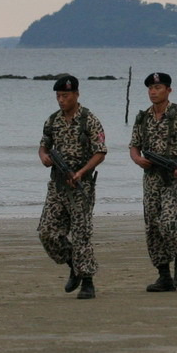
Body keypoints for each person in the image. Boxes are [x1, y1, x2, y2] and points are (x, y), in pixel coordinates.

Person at [37, 74, 107, 298]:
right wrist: (44, 157)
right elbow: (43, 146)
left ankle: (87, 281)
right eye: (58, 96)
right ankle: (73, 265)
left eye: (65, 95)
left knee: (81, 234)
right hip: (58, 185)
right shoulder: (52, 120)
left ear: (76, 94)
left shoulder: (88, 119)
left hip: (81, 186)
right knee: (47, 232)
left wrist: (81, 172)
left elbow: (100, 152)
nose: (61, 100)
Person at [130, 72, 177, 292]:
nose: (153, 91)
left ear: (169, 90)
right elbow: (134, 145)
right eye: (150, 88)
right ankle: (163, 275)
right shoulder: (142, 118)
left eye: (158, 88)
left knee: (168, 223)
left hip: (172, 178)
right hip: (151, 179)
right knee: (152, 228)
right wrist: (138, 159)